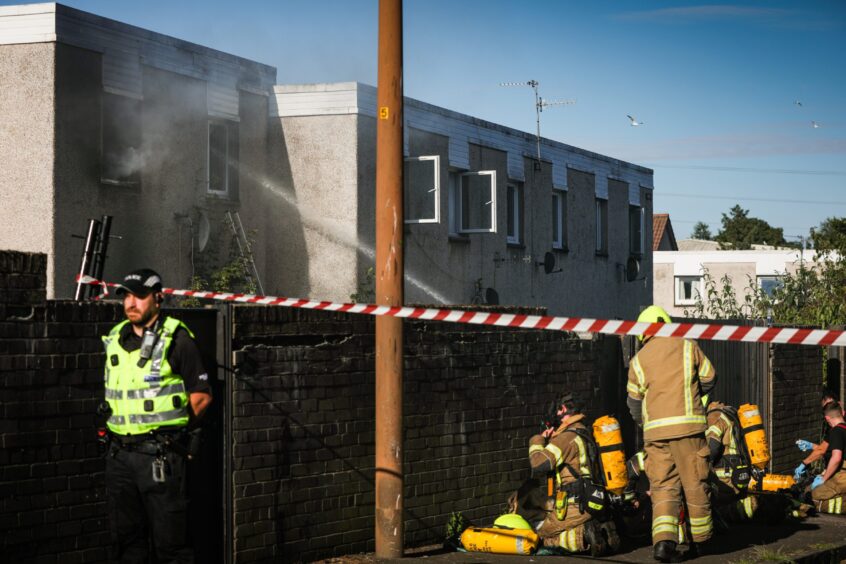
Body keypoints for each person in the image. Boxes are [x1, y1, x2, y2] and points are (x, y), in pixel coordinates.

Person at [102, 268, 212, 563]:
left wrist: (170, 436)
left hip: (160, 457)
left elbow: (201, 398)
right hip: (120, 457)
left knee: (171, 543)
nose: (130, 303)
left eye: (139, 296)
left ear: (158, 298)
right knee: (126, 540)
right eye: (126, 296)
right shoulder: (114, 338)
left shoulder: (177, 339)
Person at [627, 305, 715, 562]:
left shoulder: (638, 360)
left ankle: (664, 545)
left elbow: (633, 402)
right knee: (695, 483)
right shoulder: (687, 346)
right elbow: (710, 378)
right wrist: (695, 395)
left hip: (655, 435)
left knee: (663, 488)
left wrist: (647, 423)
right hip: (689, 430)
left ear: (643, 333)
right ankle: (702, 543)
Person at [511, 392, 619, 556]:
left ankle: (583, 536)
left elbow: (538, 464)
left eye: (558, 410)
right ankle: (600, 527)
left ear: (563, 409)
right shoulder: (584, 431)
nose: (555, 414)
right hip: (594, 499)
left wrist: (537, 440)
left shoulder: (566, 438)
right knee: (541, 505)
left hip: (576, 505)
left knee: (538, 537)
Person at [794, 390, 842, 481]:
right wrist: (811, 446)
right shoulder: (832, 425)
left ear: (838, 404)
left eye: (830, 406)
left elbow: (825, 451)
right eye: (825, 409)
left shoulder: (838, 425)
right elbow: (827, 449)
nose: (827, 411)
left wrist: (804, 463)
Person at [810, 401, 846, 514]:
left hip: (843, 477)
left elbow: (836, 457)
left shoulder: (836, 431)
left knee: (813, 496)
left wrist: (824, 478)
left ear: (827, 418)